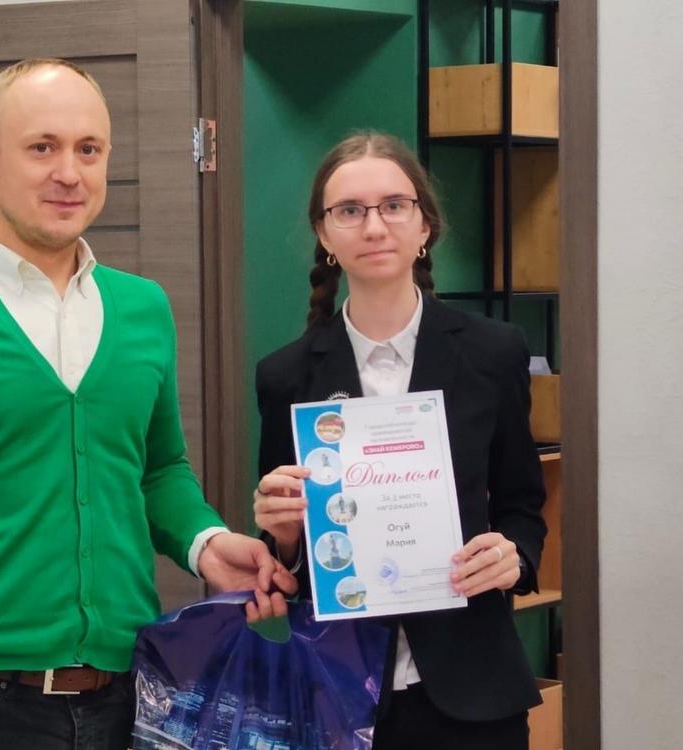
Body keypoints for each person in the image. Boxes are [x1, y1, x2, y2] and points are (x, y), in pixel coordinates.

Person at [0, 58, 295, 750]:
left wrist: (205, 542)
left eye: (89, 149)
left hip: (130, 697)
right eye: (42, 147)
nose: (69, 173)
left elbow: (159, 470)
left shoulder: (143, 309)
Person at [248, 132, 547, 749]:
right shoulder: (286, 375)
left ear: (424, 226)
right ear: (325, 235)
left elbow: (522, 504)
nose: (374, 226)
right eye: (349, 211)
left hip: (473, 689)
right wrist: (282, 535)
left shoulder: (493, 352)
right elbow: (289, 557)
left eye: (393, 205)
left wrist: (513, 556)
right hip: (339, 694)